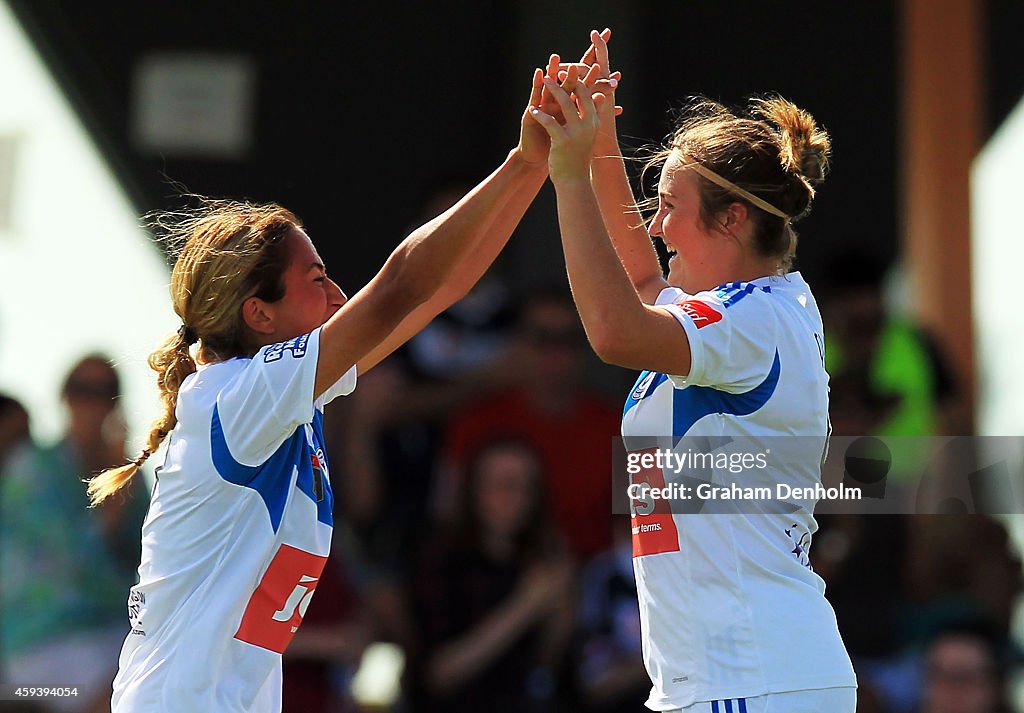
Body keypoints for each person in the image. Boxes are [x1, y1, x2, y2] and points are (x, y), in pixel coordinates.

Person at [84, 61, 570, 713]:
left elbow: (443, 289)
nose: (340, 295)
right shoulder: (238, 394)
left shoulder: (272, 394)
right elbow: (402, 285)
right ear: (259, 315)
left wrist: (537, 167)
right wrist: (520, 161)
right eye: (317, 279)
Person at [528, 29, 857, 712]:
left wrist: (567, 175)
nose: (656, 226)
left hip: (753, 677)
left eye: (670, 207)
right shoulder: (745, 312)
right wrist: (592, 144)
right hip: (731, 679)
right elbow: (640, 284)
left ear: (733, 219)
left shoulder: (755, 319)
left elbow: (616, 328)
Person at [1, 355, 147, 713]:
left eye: (106, 392)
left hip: (112, 633)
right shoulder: (33, 469)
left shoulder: (129, 474)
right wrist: (115, 494)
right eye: (83, 390)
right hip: (41, 645)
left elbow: (152, 558)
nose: (94, 403)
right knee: (126, 691)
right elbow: (75, 557)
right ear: (64, 397)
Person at [403, 436, 575, 713]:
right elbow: (437, 675)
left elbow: (548, 668)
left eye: (524, 487)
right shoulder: (439, 559)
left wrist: (561, 604)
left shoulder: (539, 560)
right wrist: (525, 605)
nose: (513, 497)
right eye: (501, 485)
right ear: (472, 489)